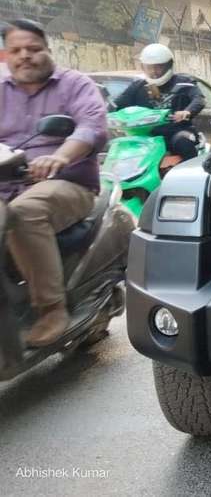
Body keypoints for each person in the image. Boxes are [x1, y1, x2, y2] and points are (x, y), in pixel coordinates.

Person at [0, 19, 109, 347]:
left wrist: (59, 157)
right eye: (16, 50)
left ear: (48, 50)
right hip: (6, 185)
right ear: (6, 55)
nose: (25, 56)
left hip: (66, 183)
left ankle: (50, 308)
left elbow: (92, 127)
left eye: (33, 49)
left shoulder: (74, 84)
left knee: (22, 213)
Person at [113, 43, 205, 160]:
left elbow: (198, 99)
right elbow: (117, 104)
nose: (153, 71)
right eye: (149, 67)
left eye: (158, 67)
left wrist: (187, 112)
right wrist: (102, 111)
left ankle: (190, 171)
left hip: (176, 133)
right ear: (143, 67)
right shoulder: (138, 86)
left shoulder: (184, 83)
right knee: (120, 149)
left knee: (183, 142)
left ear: (169, 65)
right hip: (146, 136)